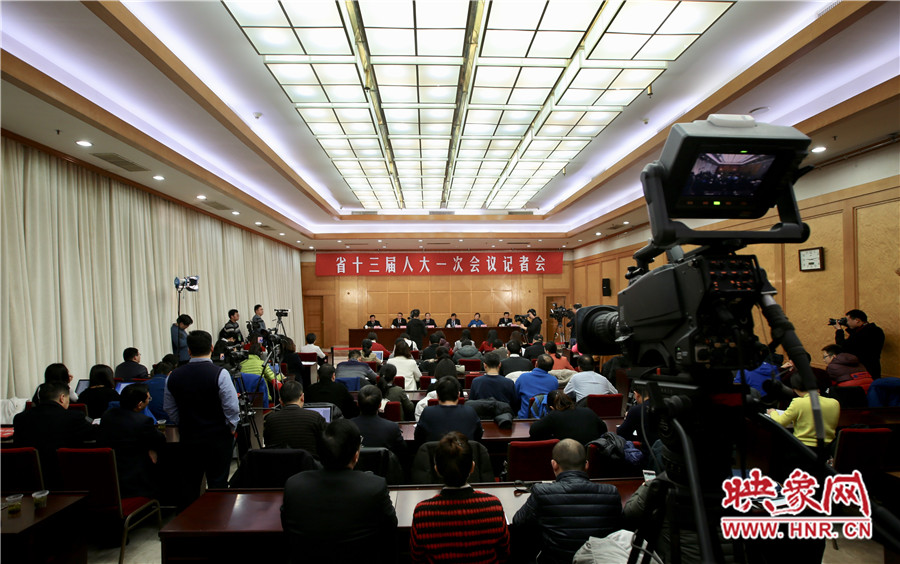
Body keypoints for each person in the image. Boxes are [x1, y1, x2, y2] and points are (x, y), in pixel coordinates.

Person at [282, 419, 397, 564]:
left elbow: (287, 531)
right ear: (356, 455)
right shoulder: (375, 486)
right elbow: (390, 529)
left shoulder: (293, 485)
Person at [512, 439, 622, 564]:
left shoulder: (541, 492)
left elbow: (518, 522)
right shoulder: (611, 493)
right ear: (586, 465)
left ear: (554, 464)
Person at [410, 432, 509, 563]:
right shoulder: (493, 506)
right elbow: (504, 553)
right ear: (472, 467)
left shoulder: (422, 513)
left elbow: (416, 557)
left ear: (437, 469)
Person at [164, 330, 240, 495]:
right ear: (211, 348)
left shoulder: (173, 376)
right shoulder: (220, 374)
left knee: (189, 484)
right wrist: (231, 426)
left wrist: (183, 423)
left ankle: (190, 512)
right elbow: (232, 407)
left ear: (189, 350)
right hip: (218, 437)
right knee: (218, 484)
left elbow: (169, 407)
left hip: (189, 437)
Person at [14, 380, 95, 488]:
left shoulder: (20, 419)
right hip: (65, 478)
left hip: (28, 480)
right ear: (62, 398)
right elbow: (93, 434)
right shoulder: (73, 417)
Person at [98, 383, 166, 498]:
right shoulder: (143, 421)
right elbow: (159, 439)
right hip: (134, 481)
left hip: (108, 477)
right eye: (148, 399)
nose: (149, 400)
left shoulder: (107, 415)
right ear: (139, 404)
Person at [768, 373, 841, 448]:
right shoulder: (835, 403)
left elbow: (780, 422)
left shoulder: (798, 402)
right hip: (828, 447)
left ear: (795, 389)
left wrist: (772, 412)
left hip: (803, 447)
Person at [263, 380, 325, 453]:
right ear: (302, 397)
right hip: (309, 459)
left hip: (280, 460)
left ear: (280, 401)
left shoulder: (270, 420)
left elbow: (268, 444)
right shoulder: (315, 417)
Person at [415, 377, 483, 443]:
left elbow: (418, 438)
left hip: (435, 451)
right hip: (464, 450)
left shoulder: (427, 412)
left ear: (437, 396)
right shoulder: (470, 411)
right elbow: (478, 437)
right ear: (458, 395)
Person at [530, 390, 607, 444]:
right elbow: (604, 429)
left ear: (552, 408)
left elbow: (533, 431)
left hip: (568, 458)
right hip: (591, 458)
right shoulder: (588, 411)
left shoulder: (554, 415)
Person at [352, 385, 405, 457]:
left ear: (357, 404)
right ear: (380, 405)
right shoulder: (392, 428)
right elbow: (403, 453)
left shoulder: (346, 427)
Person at [833, 309, 885, 379]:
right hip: (873, 367)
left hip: (863, 369)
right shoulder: (876, 330)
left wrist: (839, 331)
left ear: (857, 320)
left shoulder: (864, 333)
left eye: (847, 320)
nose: (847, 322)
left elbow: (843, 347)